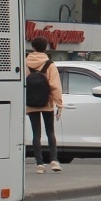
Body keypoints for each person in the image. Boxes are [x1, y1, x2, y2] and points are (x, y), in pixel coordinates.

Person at [25, 37, 65, 170]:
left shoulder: (25, 63)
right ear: (45, 48)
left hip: (31, 103)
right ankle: (54, 160)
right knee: (50, 132)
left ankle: (39, 164)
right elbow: (55, 86)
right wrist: (59, 104)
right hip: (47, 102)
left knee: (36, 134)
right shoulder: (50, 64)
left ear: (33, 48)